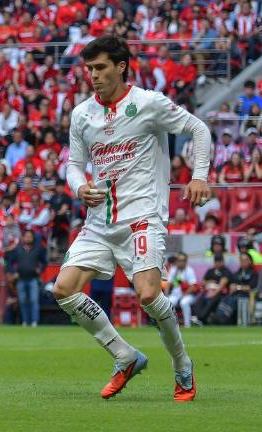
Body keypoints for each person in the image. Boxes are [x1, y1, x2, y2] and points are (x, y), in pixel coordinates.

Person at [55, 35, 210, 402]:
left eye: (100, 67)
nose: (92, 75)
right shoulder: (82, 114)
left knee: (147, 294)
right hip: (99, 222)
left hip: (143, 217)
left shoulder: (148, 103)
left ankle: (182, 366)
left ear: (121, 67)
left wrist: (199, 174)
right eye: (89, 69)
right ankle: (125, 356)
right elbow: (74, 165)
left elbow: (198, 130)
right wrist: (79, 188)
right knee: (63, 290)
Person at [9, 230, 47, 327]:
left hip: (33, 279)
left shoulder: (38, 248)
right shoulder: (18, 249)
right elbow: (9, 263)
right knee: (22, 301)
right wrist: (14, 272)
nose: (28, 238)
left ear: (33, 238)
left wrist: (40, 269)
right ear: (23, 238)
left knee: (34, 300)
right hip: (21, 279)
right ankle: (25, 321)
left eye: (30, 236)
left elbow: (44, 262)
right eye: (26, 236)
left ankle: (34, 321)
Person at [165, 253, 198, 327]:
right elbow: (168, 284)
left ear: (186, 261)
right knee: (168, 302)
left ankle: (187, 325)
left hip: (188, 295)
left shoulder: (189, 270)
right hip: (175, 295)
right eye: (179, 260)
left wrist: (184, 295)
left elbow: (193, 286)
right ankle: (170, 326)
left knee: (184, 302)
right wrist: (166, 296)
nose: (180, 262)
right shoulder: (174, 270)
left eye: (183, 260)